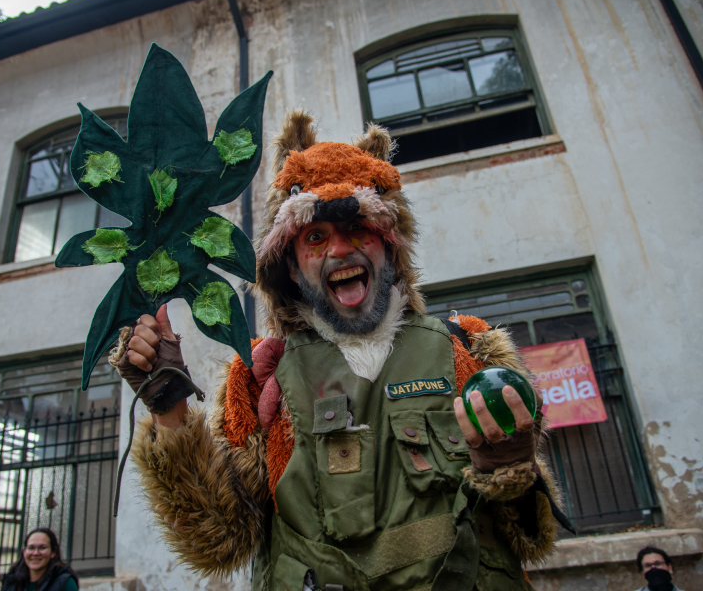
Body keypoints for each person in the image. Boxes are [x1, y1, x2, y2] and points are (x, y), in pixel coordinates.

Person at [117, 111, 564, 590]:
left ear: (389, 247)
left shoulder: (468, 348)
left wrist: (512, 470)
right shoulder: (260, 375)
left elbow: (531, 541)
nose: (339, 250)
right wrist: (168, 404)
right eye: (315, 237)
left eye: (357, 228)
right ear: (289, 267)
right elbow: (220, 541)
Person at [2, 529, 78, 591]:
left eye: (42, 547)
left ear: (53, 552)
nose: (35, 553)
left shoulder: (65, 582)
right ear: (24, 552)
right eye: (31, 548)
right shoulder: (12, 582)